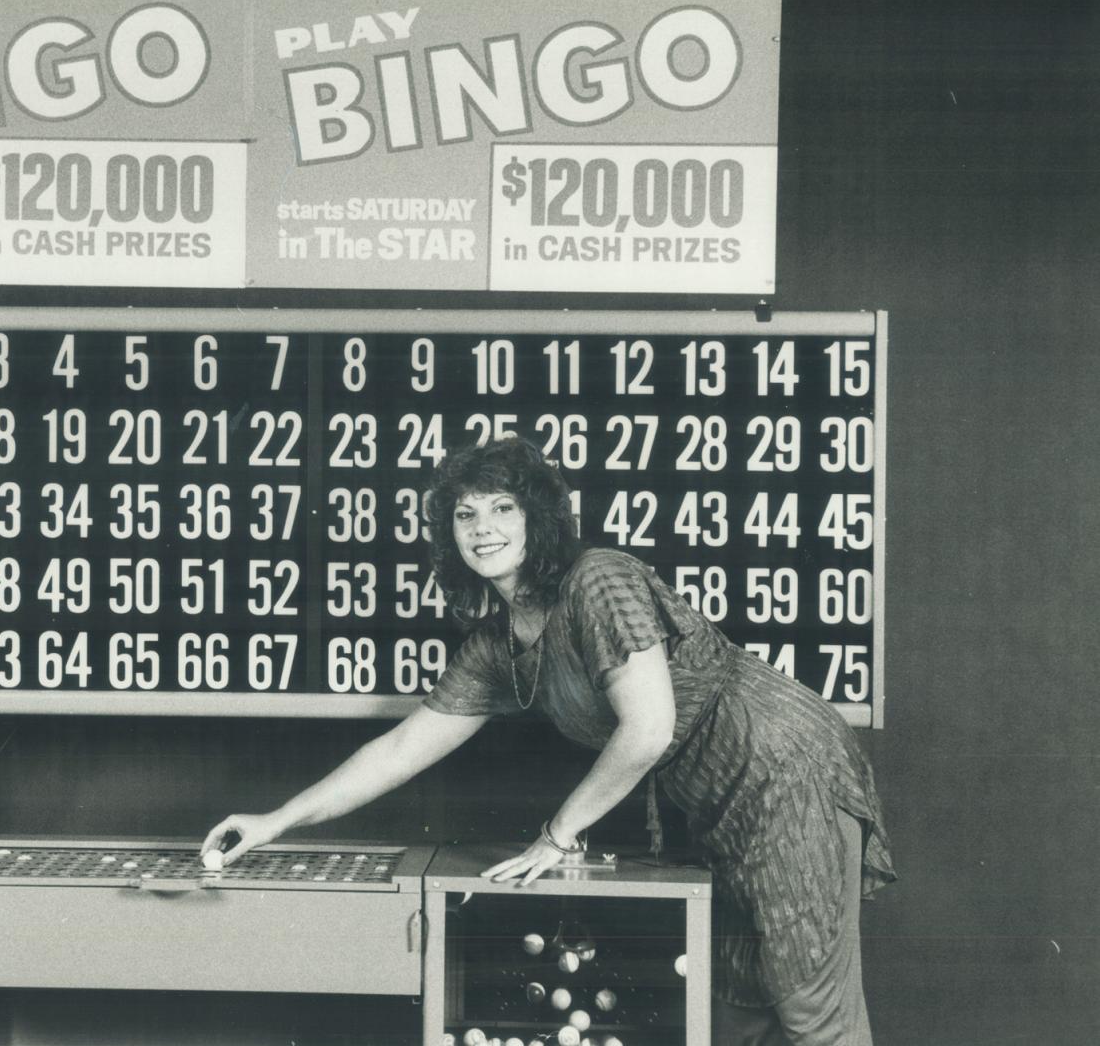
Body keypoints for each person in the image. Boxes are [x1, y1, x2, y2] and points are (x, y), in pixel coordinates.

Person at [204, 436, 895, 1045]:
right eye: (466, 513)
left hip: (785, 770)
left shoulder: (598, 579)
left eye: (503, 507)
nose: (484, 527)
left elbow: (648, 726)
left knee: (810, 1009)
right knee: (742, 1011)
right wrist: (275, 821)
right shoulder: (497, 644)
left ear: (538, 517)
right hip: (721, 805)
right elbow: (400, 750)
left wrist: (559, 835)